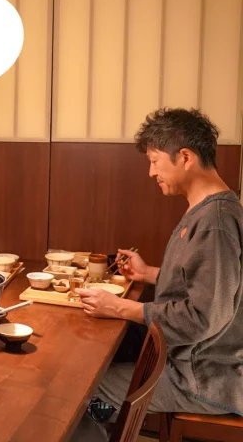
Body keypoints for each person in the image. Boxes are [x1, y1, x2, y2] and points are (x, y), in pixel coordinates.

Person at [73, 108, 243, 441]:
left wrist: (120, 307)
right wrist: (149, 273)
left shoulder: (216, 221)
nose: (151, 172)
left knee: (80, 390)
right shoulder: (208, 210)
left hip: (206, 373)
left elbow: (205, 316)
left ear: (184, 157)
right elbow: (203, 282)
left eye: (154, 161)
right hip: (189, 360)